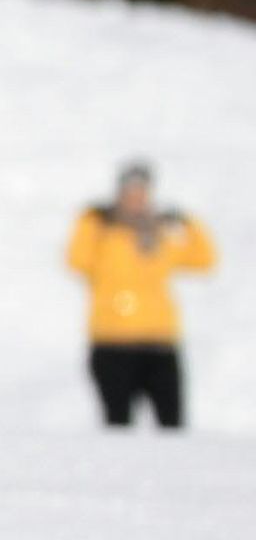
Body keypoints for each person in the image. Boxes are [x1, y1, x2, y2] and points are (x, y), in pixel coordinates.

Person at [69, 163, 213, 429]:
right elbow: (76, 260)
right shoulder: (102, 231)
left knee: (172, 425)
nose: (136, 199)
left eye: (141, 192)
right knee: (118, 424)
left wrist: (188, 222)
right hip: (113, 341)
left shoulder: (160, 234)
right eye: (130, 192)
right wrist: (90, 221)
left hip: (159, 341)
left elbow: (204, 261)